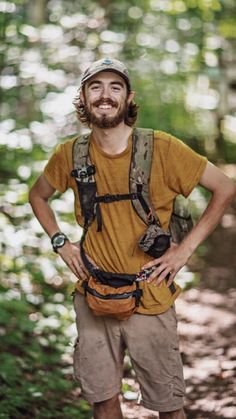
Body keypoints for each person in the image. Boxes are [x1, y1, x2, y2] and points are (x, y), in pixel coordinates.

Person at [29, 58, 236, 419]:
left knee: (168, 406)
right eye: (95, 87)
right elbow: (38, 196)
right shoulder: (71, 154)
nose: (105, 95)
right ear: (83, 96)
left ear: (128, 97)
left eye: (115, 87)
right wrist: (61, 242)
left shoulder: (163, 149)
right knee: (104, 401)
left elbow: (225, 188)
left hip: (151, 297)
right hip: (94, 294)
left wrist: (184, 251)